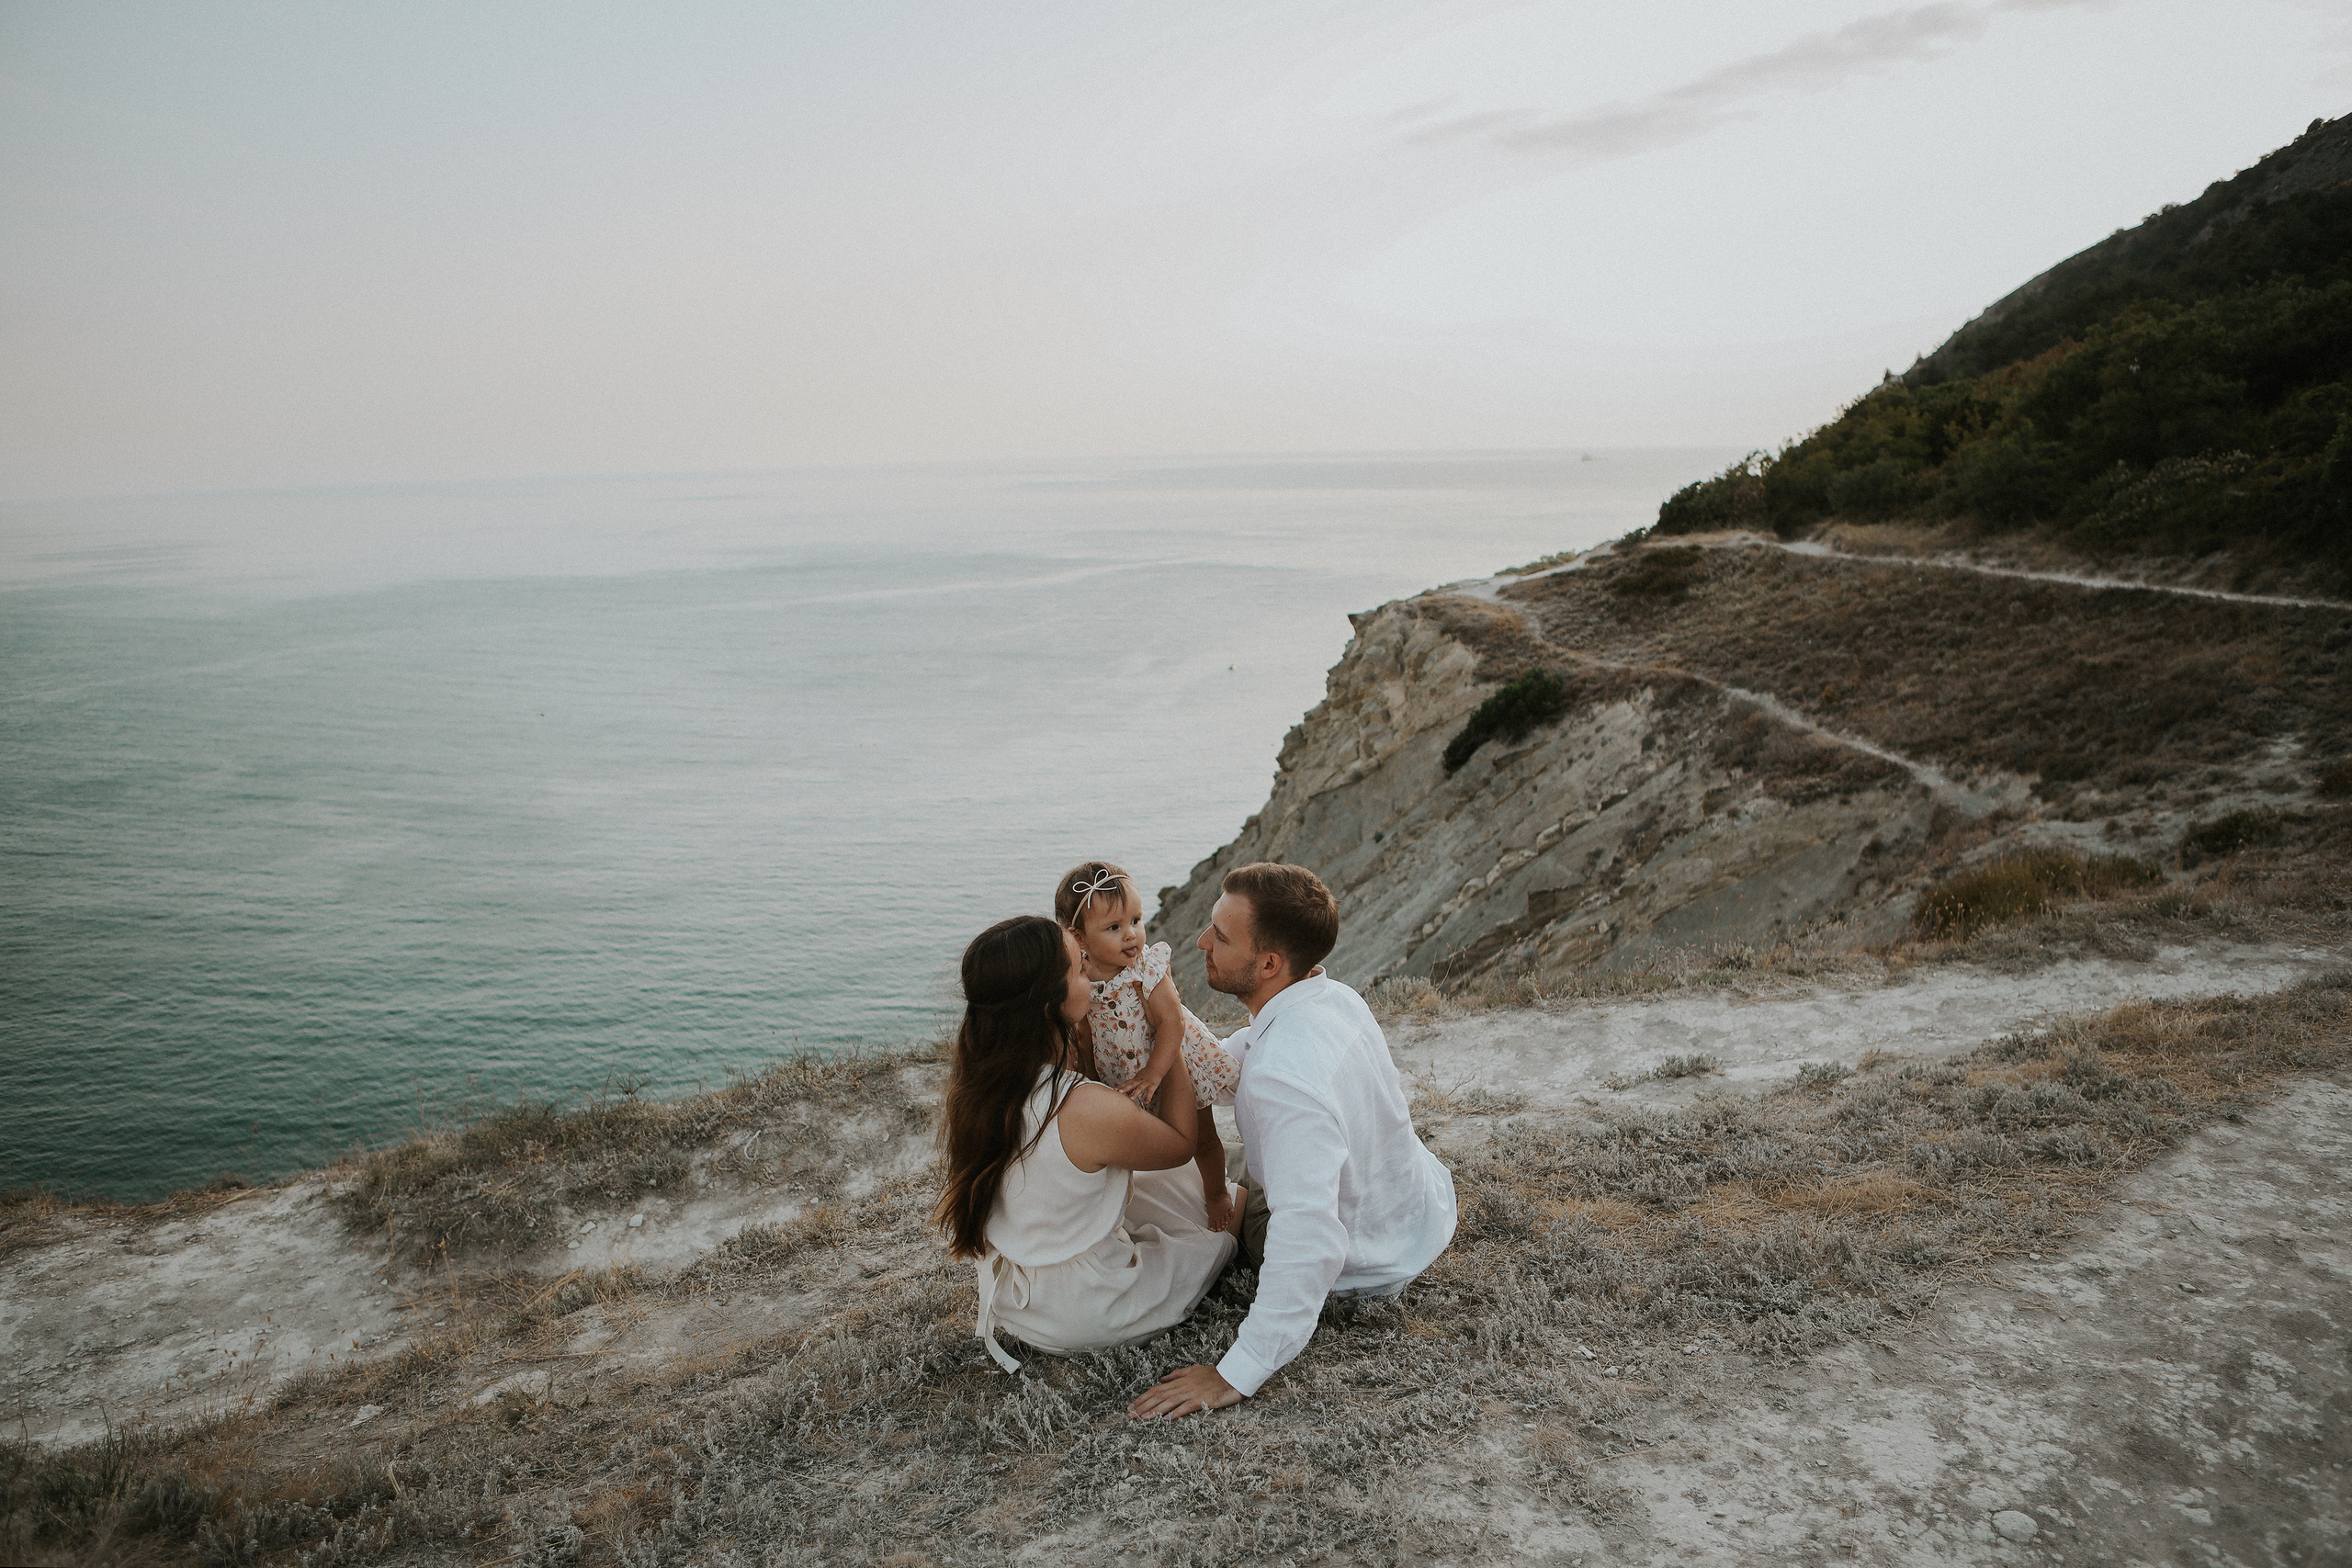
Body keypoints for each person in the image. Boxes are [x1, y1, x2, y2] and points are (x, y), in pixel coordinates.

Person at [1127, 862, 1456, 1419]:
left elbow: (1307, 1239)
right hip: (1407, 1212)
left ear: (1269, 964)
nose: (1201, 941)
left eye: (1221, 937)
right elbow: (1236, 1062)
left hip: (1361, 1261)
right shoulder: (1331, 998)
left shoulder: (1285, 1080)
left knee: (1162, 1179)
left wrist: (1237, 1371)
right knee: (1197, 1158)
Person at [935, 915, 1239, 1372]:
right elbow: (1180, 1143)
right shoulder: (1080, 1107)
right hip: (1091, 1309)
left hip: (1024, 1300)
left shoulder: (982, 1085)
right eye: (1080, 970)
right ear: (1048, 1006)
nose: (1093, 974)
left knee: (1181, 1188)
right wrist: (1168, 1031)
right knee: (1228, 1216)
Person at [1055, 860, 1242, 1234]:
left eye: (1136, 921)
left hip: (1174, 1064)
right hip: (1120, 1074)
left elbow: (1171, 1022)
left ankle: (1218, 1192)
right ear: (1078, 937)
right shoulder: (1080, 978)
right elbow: (1084, 1032)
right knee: (1133, 1145)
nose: (1131, 935)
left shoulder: (1147, 969)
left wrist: (1155, 1071)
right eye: (1114, 927)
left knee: (1203, 1136)